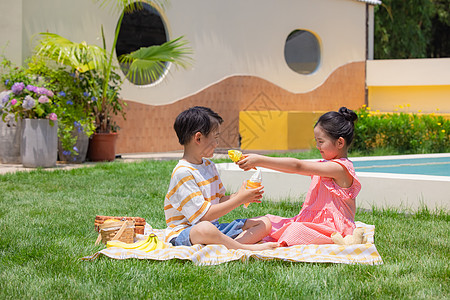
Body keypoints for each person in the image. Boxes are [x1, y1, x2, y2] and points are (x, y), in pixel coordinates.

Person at [237, 107, 361, 246]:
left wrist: (260, 160)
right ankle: (231, 245)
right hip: (312, 224)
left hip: (334, 230)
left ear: (340, 142)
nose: (317, 146)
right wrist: (261, 163)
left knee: (295, 230)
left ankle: (235, 246)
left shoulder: (340, 168)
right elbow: (293, 168)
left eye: (320, 141)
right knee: (266, 220)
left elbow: (297, 166)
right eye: (316, 141)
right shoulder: (325, 166)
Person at [164, 106, 279, 250]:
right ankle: (244, 248)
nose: (217, 144)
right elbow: (204, 216)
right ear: (198, 138)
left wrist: (242, 194)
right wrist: (239, 199)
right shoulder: (183, 173)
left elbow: (219, 201)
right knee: (205, 228)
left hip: (214, 229)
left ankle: (229, 246)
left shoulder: (209, 166)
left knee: (264, 223)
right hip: (186, 234)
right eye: (215, 138)